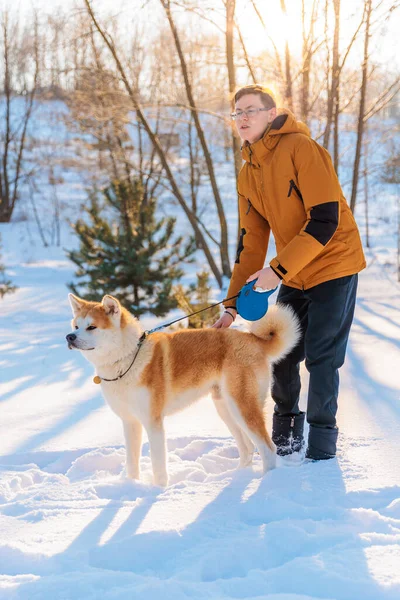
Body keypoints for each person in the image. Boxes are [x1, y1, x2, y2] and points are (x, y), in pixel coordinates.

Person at [212, 84, 366, 461]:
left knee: (322, 357)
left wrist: (276, 270)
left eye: (250, 110)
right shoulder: (248, 173)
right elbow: (250, 246)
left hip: (335, 262)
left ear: (271, 113)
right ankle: (285, 437)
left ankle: (321, 448)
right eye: (237, 113)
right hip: (295, 272)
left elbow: (325, 220)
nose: (242, 118)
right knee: (279, 353)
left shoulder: (302, 149)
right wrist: (232, 307)